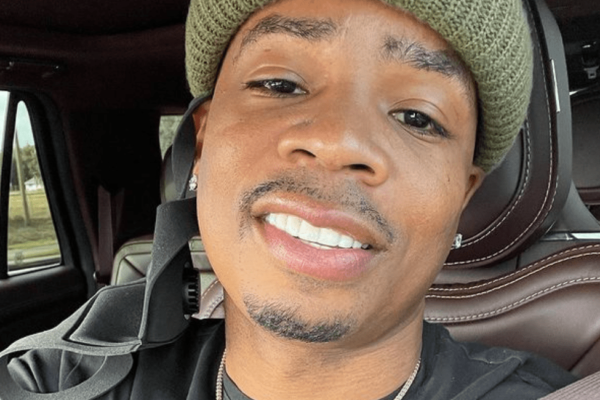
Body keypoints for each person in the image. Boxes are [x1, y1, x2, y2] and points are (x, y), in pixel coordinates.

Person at [1, 0, 578, 399]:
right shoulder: (63, 377)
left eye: (416, 117)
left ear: (462, 197)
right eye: (280, 84)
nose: (338, 141)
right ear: (202, 141)